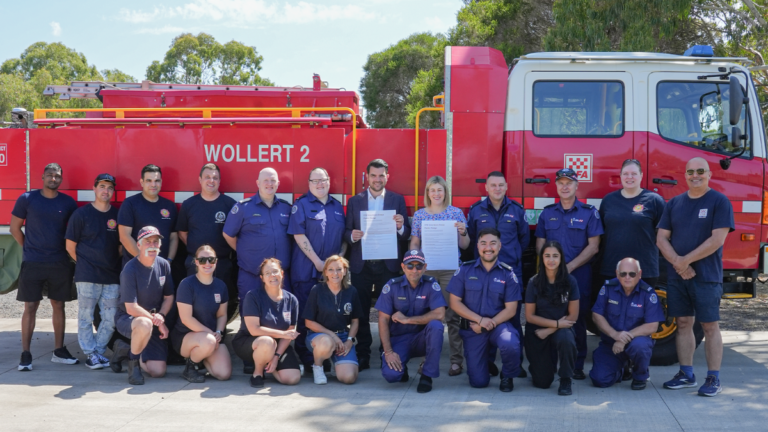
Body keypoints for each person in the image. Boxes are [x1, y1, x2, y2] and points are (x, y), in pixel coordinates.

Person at [657, 157, 734, 397]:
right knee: (682, 324)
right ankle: (686, 374)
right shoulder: (675, 203)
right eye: (690, 171)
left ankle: (713, 378)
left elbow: (717, 240)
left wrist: (684, 261)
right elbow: (661, 238)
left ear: (709, 174)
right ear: (685, 175)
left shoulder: (719, 201)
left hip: (707, 276)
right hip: (679, 276)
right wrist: (680, 265)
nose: (695, 175)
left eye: (700, 171)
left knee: (709, 325)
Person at [535, 168, 603, 380]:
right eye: (561, 183)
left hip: (578, 274)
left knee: (577, 317)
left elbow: (594, 247)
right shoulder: (547, 213)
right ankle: (550, 360)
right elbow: (540, 243)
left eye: (569, 183)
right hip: (551, 274)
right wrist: (550, 266)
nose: (565, 186)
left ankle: (577, 363)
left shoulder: (589, 212)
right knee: (550, 314)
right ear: (556, 186)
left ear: (576, 186)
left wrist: (569, 267)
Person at [10, 162, 79, 371]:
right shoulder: (27, 199)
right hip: (33, 263)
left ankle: (59, 351)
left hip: (59, 262)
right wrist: (30, 248)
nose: (53, 179)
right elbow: (14, 228)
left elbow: (74, 232)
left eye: (57, 176)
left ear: (61, 179)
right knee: (30, 307)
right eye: (50, 175)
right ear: (42, 177)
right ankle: (26, 354)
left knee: (59, 305)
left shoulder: (68, 203)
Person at [345, 159, 410, 370]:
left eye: (381, 175)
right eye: (373, 175)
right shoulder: (355, 201)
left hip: (387, 265)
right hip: (361, 265)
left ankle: (386, 351)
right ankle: (363, 352)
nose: (377, 179)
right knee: (362, 311)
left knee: (388, 311)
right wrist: (352, 235)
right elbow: (346, 232)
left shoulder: (397, 199)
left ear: (387, 177)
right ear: (367, 176)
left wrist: (400, 227)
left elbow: (406, 234)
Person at [467, 171, 529, 377]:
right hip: (484, 273)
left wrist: (510, 258)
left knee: (512, 320)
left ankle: (515, 364)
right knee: (487, 315)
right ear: (486, 187)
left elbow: (524, 240)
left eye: (501, 185)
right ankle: (489, 362)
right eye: (493, 185)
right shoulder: (476, 211)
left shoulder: (517, 210)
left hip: (511, 273)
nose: (497, 189)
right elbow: (473, 240)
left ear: (506, 187)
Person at [409, 175, 470, 377]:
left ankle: (456, 361)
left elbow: (465, 245)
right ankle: (427, 360)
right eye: (432, 190)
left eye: (439, 190)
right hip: (427, 269)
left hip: (450, 269)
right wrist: (413, 263)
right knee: (428, 316)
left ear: (445, 192)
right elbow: (415, 243)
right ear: (427, 193)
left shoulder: (456, 213)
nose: (436, 193)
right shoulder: (419, 215)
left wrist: (463, 232)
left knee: (452, 316)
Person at [447, 228, 521, 391]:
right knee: (479, 382)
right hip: (474, 329)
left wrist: (488, 323)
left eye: (493, 243)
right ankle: (484, 363)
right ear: (478, 246)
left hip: (499, 326)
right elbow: (454, 303)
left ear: (500, 246)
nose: (488, 247)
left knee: (510, 343)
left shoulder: (508, 274)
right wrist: (480, 321)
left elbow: (511, 309)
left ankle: (507, 375)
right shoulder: (464, 271)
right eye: (483, 243)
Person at [289, 167, 347, 370]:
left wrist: (337, 262)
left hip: (330, 276)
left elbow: (343, 238)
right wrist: (318, 263)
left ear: (329, 181)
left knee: (328, 315)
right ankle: (306, 357)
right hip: (307, 271)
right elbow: (299, 235)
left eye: (323, 180)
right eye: (315, 181)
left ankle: (324, 354)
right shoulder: (301, 205)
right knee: (306, 316)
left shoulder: (338, 207)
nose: (320, 184)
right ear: (309, 183)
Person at [65, 173, 122, 370]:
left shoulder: (116, 215)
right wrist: (85, 265)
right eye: (102, 186)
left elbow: (121, 246)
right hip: (87, 276)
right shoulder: (81, 215)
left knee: (110, 317)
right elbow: (70, 245)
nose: (106, 190)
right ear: (94, 188)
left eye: (109, 188)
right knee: (85, 316)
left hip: (111, 276)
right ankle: (90, 353)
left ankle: (98, 351)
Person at [375, 250, 446, 393]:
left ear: (425, 267)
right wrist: (388, 351)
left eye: (419, 266)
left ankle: (427, 375)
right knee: (392, 375)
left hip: (421, 339)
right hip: (398, 340)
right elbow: (382, 319)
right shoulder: (392, 286)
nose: (415, 270)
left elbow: (440, 314)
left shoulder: (430, 285)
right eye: (410, 266)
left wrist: (407, 320)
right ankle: (402, 366)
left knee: (436, 326)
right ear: (403, 267)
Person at [110, 226, 175, 385]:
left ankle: (124, 348)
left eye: (156, 242)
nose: (152, 245)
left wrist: (161, 316)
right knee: (144, 323)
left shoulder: (164, 265)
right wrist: (157, 321)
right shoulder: (130, 269)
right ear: (138, 245)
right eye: (147, 242)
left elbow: (169, 297)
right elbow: (131, 307)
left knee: (158, 371)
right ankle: (133, 365)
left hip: (152, 320)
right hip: (130, 318)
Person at [590, 258, 665, 390]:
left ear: (640, 274)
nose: (627, 277)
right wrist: (615, 335)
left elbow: (652, 326)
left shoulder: (647, 293)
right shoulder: (608, 288)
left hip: (635, 342)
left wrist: (624, 338)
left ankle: (640, 375)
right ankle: (622, 370)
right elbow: (596, 315)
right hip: (611, 343)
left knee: (640, 347)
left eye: (632, 274)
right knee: (599, 379)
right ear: (617, 273)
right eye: (623, 274)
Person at [223, 167, 292, 308]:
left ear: (278, 183)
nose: (269, 183)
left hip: (279, 278)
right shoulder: (243, 207)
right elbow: (228, 234)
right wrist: (242, 251)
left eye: (273, 180)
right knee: (250, 320)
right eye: (265, 180)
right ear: (258, 183)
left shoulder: (286, 208)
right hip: (251, 276)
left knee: (281, 320)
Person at [232, 258, 301, 388]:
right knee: (267, 342)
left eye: (275, 271)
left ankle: (268, 363)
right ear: (262, 278)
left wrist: (276, 357)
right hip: (251, 342)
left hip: (278, 346)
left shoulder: (292, 300)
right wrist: (283, 333)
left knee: (292, 378)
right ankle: (258, 373)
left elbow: (290, 334)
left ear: (282, 273)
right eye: (267, 273)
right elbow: (254, 330)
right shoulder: (253, 296)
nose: (272, 275)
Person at [598, 159, 665, 288]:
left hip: (644, 270)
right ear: (621, 176)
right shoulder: (608, 200)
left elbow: (663, 235)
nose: (629, 177)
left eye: (634, 174)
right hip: (611, 269)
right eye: (626, 173)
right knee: (612, 308)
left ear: (641, 176)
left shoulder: (654, 200)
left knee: (641, 308)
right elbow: (601, 234)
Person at [524, 241, 579, 395]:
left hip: (562, 327)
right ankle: (539, 365)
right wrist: (554, 324)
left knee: (567, 340)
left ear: (561, 258)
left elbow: (573, 316)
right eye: (547, 256)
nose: (551, 260)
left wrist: (551, 328)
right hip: (537, 330)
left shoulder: (570, 281)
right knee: (542, 382)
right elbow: (529, 316)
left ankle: (566, 378)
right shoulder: (533, 282)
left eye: (555, 256)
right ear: (542, 258)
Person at [171, 245, 231, 383]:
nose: (207, 263)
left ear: (216, 261)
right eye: (203, 260)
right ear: (196, 262)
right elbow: (186, 319)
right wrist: (210, 333)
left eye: (211, 259)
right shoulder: (187, 284)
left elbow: (222, 315)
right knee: (209, 341)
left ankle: (202, 359)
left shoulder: (221, 286)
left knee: (224, 374)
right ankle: (190, 367)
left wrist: (219, 332)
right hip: (186, 337)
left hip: (210, 338)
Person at [304, 255, 363, 385]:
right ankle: (318, 367)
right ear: (325, 272)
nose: (335, 273)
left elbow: (355, 321)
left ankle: (336, 362)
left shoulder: (351, 291)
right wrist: (332, 336)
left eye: (339, 269)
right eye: (330, 269)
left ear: (345, 271)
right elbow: (308, 322)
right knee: (326, 343)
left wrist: (349, 340)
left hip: (342, 337)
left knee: (349, 378)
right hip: (320, 337)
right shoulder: (317, 290)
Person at [177, 163, 236, 284]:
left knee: (221, 300)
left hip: (222, 264)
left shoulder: (230, 205)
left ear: (219, 181)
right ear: (200, 179)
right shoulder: (189, 204)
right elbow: (182, 232)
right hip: (196, 262)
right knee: (194, 300)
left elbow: (236, 234)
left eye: (215, 178)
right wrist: (198, 249)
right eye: (207, 177)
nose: (211, 180)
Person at [118, 164, 178, 267]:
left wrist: (168, 260)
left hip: (160, 269)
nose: (153, 184)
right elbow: (124, 236)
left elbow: (173, 237)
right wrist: (143, 260)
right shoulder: (130, 204)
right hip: (136, 267)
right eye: (149, 181)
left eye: (157, 181)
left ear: (161, 182)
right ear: (142, 182)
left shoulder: (169, 206)